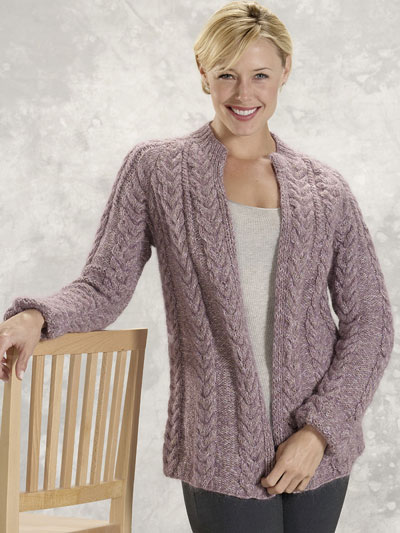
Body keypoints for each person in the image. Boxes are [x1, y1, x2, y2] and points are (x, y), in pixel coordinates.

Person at [0, 2, 394, 532]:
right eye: (227, 74)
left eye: (260, 75)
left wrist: (320, 430)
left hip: (318, 452)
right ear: (202, 72)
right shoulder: (157, 170)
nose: (243, 93)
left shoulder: (326, 190)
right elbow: (102, 285)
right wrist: (37, 316)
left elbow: (371, 322)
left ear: (286, 71)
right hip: (218, 444)